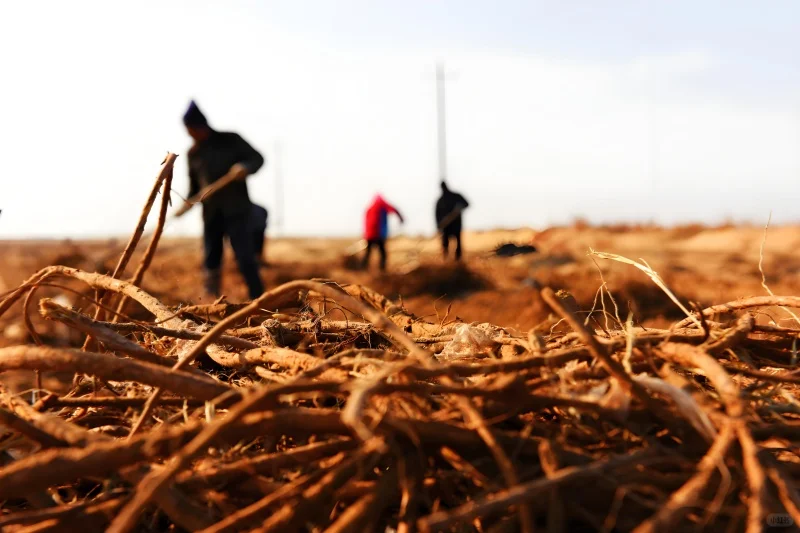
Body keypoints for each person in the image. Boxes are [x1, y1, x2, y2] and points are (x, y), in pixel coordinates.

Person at [183, 100, 265, 299]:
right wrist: (187, 202)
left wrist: (244, 167)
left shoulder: (231, 140)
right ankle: (211, 302)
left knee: (245, 258)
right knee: (211, 259)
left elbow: (258, 159)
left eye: (191, 129)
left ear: (201, 126)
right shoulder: (193, 153)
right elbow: (195, 187)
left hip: (237, 211)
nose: (190, 134)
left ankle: (259, 300)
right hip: (211, 214)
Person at [362, 194, 404, 271]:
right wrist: (401, 218)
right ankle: (382, 269)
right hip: (378, 234)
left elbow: (366, 222)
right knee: (382, 253)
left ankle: (363, 267)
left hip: (370, 235)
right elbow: (394, 209)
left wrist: (366, 234)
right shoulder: (382, 205)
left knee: (368, 252)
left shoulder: (369, 208)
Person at [435, 181, 469, 261]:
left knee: (458, 243)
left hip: (456, 225)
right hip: (446, 227)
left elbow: (466, 204)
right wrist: (439, 225)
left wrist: (459, 208)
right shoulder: (440, 200)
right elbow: (437, 214)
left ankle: (458, 261)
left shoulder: (456, 196)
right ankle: (446, 261)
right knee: (445, 244)